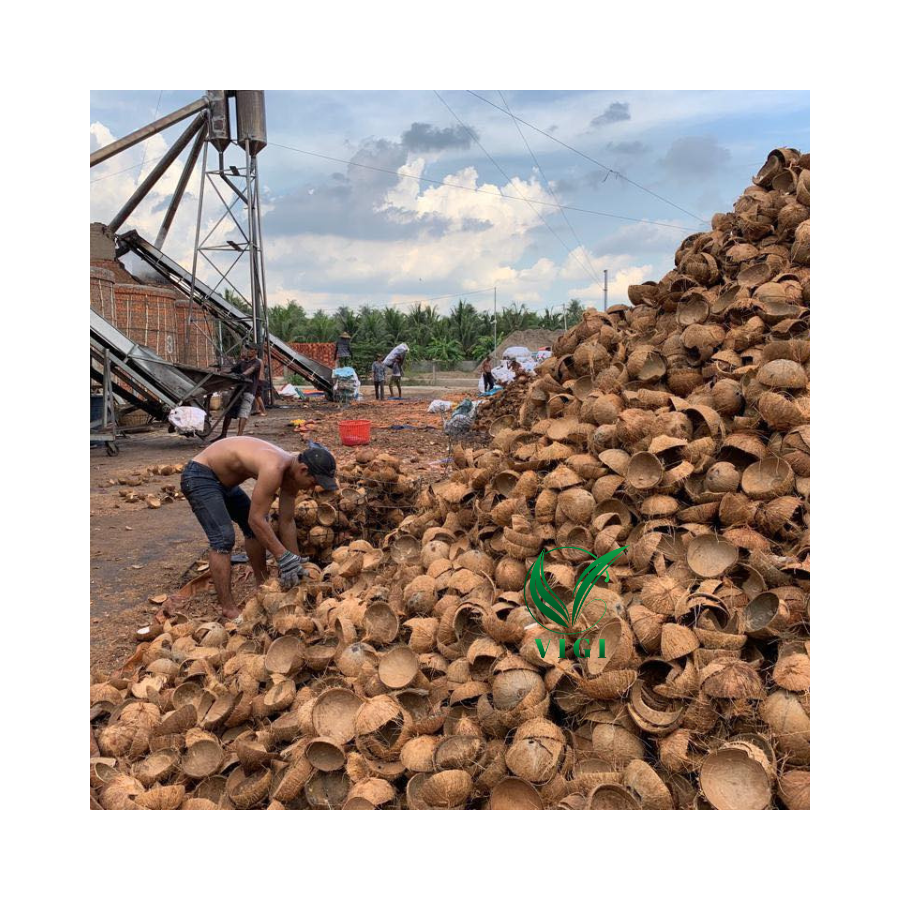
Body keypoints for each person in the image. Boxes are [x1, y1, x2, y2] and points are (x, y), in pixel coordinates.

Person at [176, 437, 338, 619]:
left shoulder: (292, 474)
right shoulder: (274, 468)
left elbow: (286, 521)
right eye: (314, 482)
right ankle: (228, 608)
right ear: (303, 470)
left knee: (256, 529)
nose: (312, 488)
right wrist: (283, 556)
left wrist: (295, 562)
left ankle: (262, 583)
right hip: (200, 476)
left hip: (224, 483)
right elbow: (255, 519)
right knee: (223, 538)